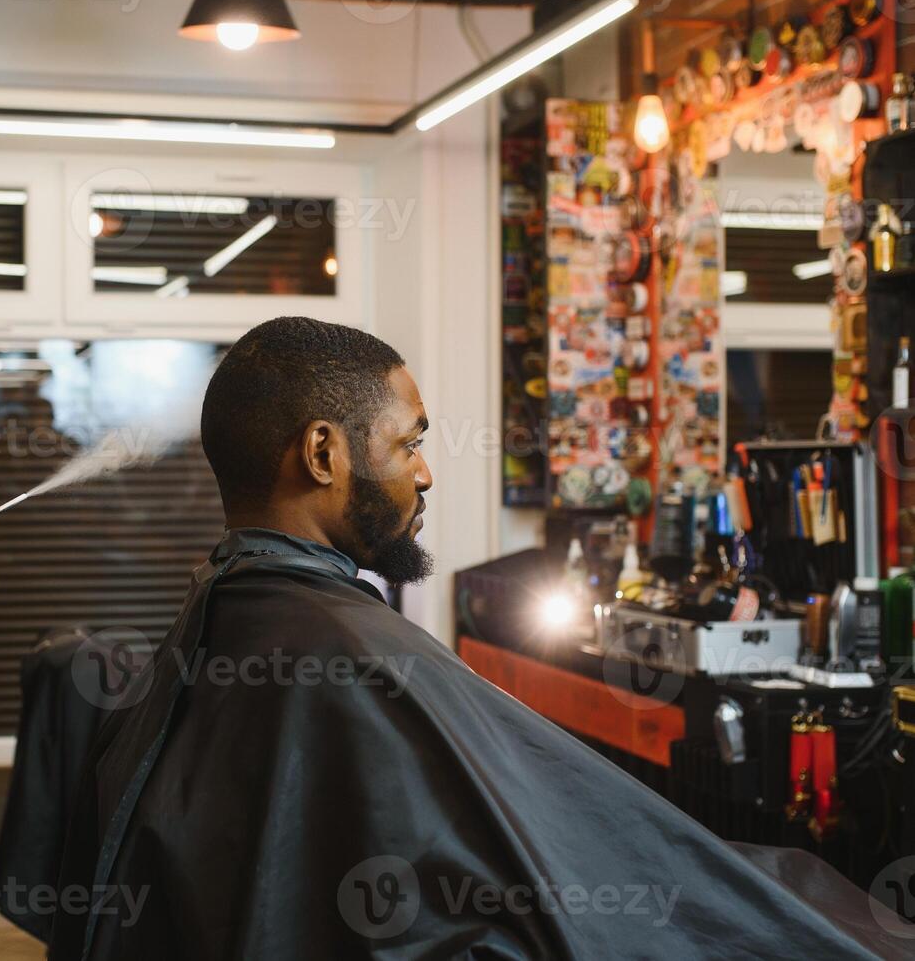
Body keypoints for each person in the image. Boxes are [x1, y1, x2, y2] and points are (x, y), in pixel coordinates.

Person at [47, 317, 900, 959]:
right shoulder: (343, 656)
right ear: (322, 454)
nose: (424, 471)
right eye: (408, 443)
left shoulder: (227, 607)